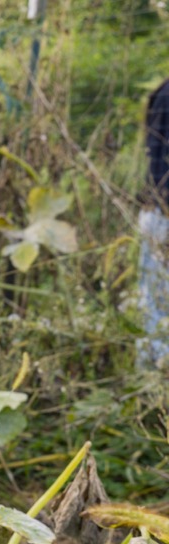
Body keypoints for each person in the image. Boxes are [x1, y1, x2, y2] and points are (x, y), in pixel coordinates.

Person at [139, 76, 169, 368]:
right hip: (163, 214)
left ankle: (151, 384)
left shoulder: (162, 91)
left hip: (156, 211)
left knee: (155, 308)